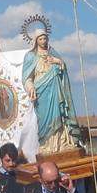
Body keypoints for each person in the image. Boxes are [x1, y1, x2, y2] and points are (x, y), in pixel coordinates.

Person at [21, 18, 82, 154]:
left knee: (60, 115)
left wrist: (58, 62)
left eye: (45, 38)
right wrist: (30, 88)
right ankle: (47, 145)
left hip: (56, 90)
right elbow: (27, 77)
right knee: (44, 120)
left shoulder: (53, 53)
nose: (43, 41)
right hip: (41, 92)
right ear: (36, 41)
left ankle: (62, 142)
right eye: (41, 39)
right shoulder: (30, 56)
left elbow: (63, 69)